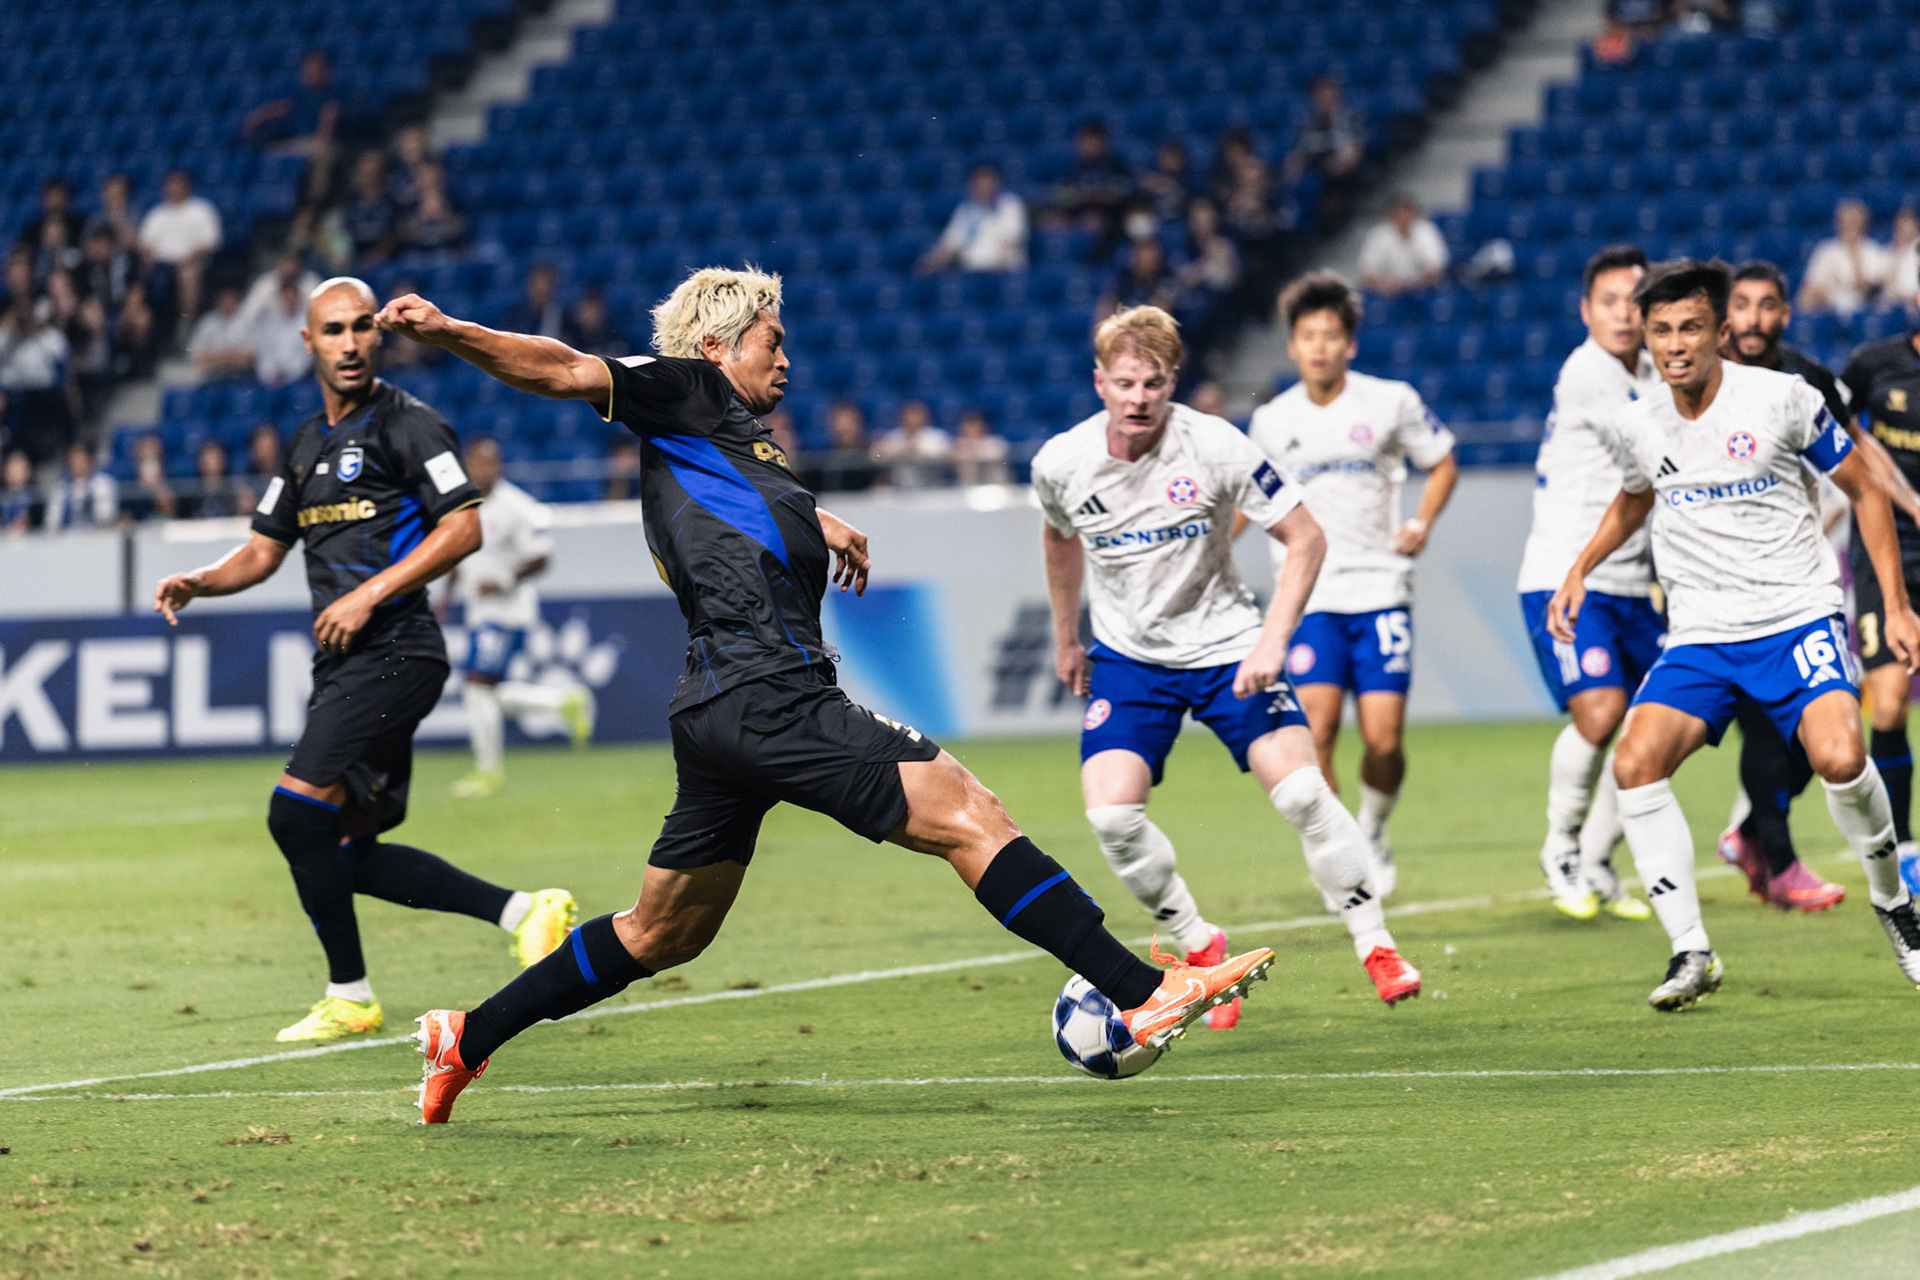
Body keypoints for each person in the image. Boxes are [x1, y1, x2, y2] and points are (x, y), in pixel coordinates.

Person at [376, 268, 1275, 1123]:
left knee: (661, 933)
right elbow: (565, 367)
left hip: (718, 709)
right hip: (769, 691)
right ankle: (1145, 992)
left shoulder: (729, 438)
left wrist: (819, 518)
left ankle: (466, 1036)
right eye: (772, 340)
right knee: (968, 811)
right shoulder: (687, 387)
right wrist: (452, 331)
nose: (787, 358)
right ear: (717, 343)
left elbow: (743, 503)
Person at [151, 278, 578, 1043]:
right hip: (348, 665)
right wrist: (202, 582)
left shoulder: (408, 424)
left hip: (397, 651)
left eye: (359, 328)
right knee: (342, 847)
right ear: (308, 343)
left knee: (293, 812)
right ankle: (524, 910)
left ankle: (349, 995)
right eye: (332, 330)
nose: (348, 342)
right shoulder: (307, 443)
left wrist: (367, 595)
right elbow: (261, 550)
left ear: (376, 338)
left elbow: (464, 529)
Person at [1547, 259, 1920, 1009]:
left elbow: (1863, 488)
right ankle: (1691, 951)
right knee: (1635, 762)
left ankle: (1897, 908)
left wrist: (1899, 604)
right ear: (1646, 338)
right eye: (1661, 331)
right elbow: (1634, 498)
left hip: (1795, 616)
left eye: (1690, 327)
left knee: (1842, 758)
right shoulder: (1638, 420)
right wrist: (1580, 566)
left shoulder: (1784, 399)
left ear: (1720, 332)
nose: (1675, 344)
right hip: (1703, 634)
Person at [1035, 306, 1422, 1017]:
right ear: (1100, 383)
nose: (1139, 398)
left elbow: (1305, 538)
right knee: (1112, 817)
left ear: (1172, 381)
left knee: (1304, 792)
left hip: (1227, 646)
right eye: (1124, 383)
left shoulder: (1216, 446)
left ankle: (1375, 942)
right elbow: (1058, 539)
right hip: (1131, 657)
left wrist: (1273, 639)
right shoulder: (1061, 462)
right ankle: (1198, 943)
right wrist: (1067, 635)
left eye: (1153, 383)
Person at [1714, 261, 1920, 910]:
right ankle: (1777, 853)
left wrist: (1901, 501)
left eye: (1766, 305)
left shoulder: (1809, 380)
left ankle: (1755, 837)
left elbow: (1857, 454)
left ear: (1785, 313)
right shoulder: (1693, 376)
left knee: (1825, 730)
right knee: (1790, 723)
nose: (1752, 320)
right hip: (1722, 579)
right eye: (1741, 306)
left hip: (1796, 575)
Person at [1247, 272, 1459, 897]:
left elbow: (1443, 461)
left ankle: (1373, 824)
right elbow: (1251, 500)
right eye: (1307, 336)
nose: (1318, 347)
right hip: (1308, 597)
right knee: (1316, 731)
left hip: (1380, 589)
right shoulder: (1270, 420)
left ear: (1350, 345)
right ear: (1292, 345)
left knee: (1384, 740)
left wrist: (1421, 519)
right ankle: (1344, 855)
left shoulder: (1389, 401)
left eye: (1330, 336)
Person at [1515, 245, 1663, 920]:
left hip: (1633, 585)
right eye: (1609, 301)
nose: (1624, 314)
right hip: (1567, 575)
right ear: (1586, 311)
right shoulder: (1589, 373)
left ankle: (1601, 860)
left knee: (1650, 730)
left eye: (1636, 301)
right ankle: (1560, 847)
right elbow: (1657, 450)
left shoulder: (1649, 371)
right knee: (1600, 713)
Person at [449, 437, 595, 800]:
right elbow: (459, 551)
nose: (485, 470)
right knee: (487, 693)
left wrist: (503, 581)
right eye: (478, 463)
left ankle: (488, 772)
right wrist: (448, 593)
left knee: (476, 687)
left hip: (507, 611)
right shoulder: (463, 504)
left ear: (500, 466)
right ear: (468, 465)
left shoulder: (518, 507)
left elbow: (542, 557)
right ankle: (561, 701)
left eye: (491, 463)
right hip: (479, 610)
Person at [1839, 275, 1920, 897]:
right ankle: (1904, 847)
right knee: (1888, 703)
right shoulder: (1874, 365)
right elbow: (1840, 431)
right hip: (1887, 552)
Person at [136, 171, 222, 334]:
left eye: (178, 186)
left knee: (187, 274)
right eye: (170, 186)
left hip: (190, 262)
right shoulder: (157, 214)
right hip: (161, 263)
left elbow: (210, 242)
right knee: (140, 272)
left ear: (187, 187)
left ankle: (186, 321)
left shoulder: (201, 210)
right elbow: (145, 244)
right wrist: (150, 256)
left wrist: (189, 257)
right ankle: (146, 322)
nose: (174, 190)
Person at [917, 163, 1028, 275]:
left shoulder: (1010, 204)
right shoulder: (965, 210)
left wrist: (998, 267)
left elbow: (1011, 241)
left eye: (988, 184)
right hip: (970, 274)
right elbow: (950, 245)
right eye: (980, 185)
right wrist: (930, 264)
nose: (985, 189)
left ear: (997, 184)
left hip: (1002, 273)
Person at [1288, 78, 1366, 232]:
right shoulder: (1307, 123)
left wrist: (1337, 165)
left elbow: (1355, 150)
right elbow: (1298, 154)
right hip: (1314, 168)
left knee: (1335, 177)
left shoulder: (1349, 119)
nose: (1325, 101)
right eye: (1320, 97)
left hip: (1340, 173)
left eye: (1329, 96)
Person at [1797, 200, 1888, 317]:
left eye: (1854, 222)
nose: (1849, 226)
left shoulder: (1873, 250)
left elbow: (1870, 290)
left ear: (1863, 225)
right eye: (1846, 222)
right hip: (1830, 309)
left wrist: (1854, 257)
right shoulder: (1826, 249)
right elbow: (1812, 286)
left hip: (1862, 310)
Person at [1357, 194, 1450, 297]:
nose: (1403, 218)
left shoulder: (1426, 231)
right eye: (1399, 213)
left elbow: (1436, 267)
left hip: (1422, 290)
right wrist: (1386, 284)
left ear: (1414, 214)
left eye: (1407, 213)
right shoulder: (1378, 234)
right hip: (1387, 292)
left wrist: (1410, 283)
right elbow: (1368, 271)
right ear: (1391, 215)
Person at [871, 399, 952, 488]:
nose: (912, 419)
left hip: (931, 486)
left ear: (925, 417)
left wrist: (917, 452)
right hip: (898, 488)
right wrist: (891, 452)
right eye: (909, 415)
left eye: (916, 415)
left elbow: (947, 456)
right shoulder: (893, 437)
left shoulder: (935, 437)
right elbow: (877, 456)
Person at [187, 286, 257, 380]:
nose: (227, 302)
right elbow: (197, 356)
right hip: (210, 376)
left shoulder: (248, 321)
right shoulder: (207, 321)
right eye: (224, 298)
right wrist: (231, 356)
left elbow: (248, 358)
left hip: (241, 377)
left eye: (231, 298)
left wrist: (215, 357)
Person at [45, 441, 120, 529]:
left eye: (81, 461)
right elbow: (52, 518)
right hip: (67, 536)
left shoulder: (103, 483)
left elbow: (106, 514)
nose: (78, 465)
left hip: (97, 534)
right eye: (74, 462)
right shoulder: (61, 487)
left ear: (89, 461)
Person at [255, 278, 314, 388]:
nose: (290, 301)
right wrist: (270, 374)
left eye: (293, 297)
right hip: (271, 380)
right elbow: (265, 353)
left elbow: (306, 358)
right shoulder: (270, 322)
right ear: (281, 298)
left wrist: (288, 374)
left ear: (298, 297)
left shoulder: (307, 323)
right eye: (286, 297)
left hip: (299, 380)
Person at [180, 438, 245, 520]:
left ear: (223, 460)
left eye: (215, 457)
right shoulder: (191, 494)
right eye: (207, 457)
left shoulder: (234, 490)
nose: (212, 462)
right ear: (200, 462)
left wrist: (242, 509)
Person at [502, 263, 564, 339]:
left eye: (544, 286)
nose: (539, 290)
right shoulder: (515, 315)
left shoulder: (562, 318)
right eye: (535, 285)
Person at [951, 409, 1011, 485]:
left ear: (983, 426)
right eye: (969, 425)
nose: (972, 429)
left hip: (995, 485)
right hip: (967, 487)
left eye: (975, 425)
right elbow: (952, 458)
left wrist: (971, 451)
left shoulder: (995, 442)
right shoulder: (958, 443)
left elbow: (996, 455)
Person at [0, 449, 40, 533]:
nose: (17, 472)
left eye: (21, 468)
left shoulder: (37, 499)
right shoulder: (2, 496)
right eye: (14, 468)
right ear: (6, 471)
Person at [1885, 207, 1919, 305]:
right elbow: (1888, 288)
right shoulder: (1891, 250)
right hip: (1897, 304)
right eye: (1901, 225)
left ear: (1916, 226)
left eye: (1908, 225)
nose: (1905, 230)